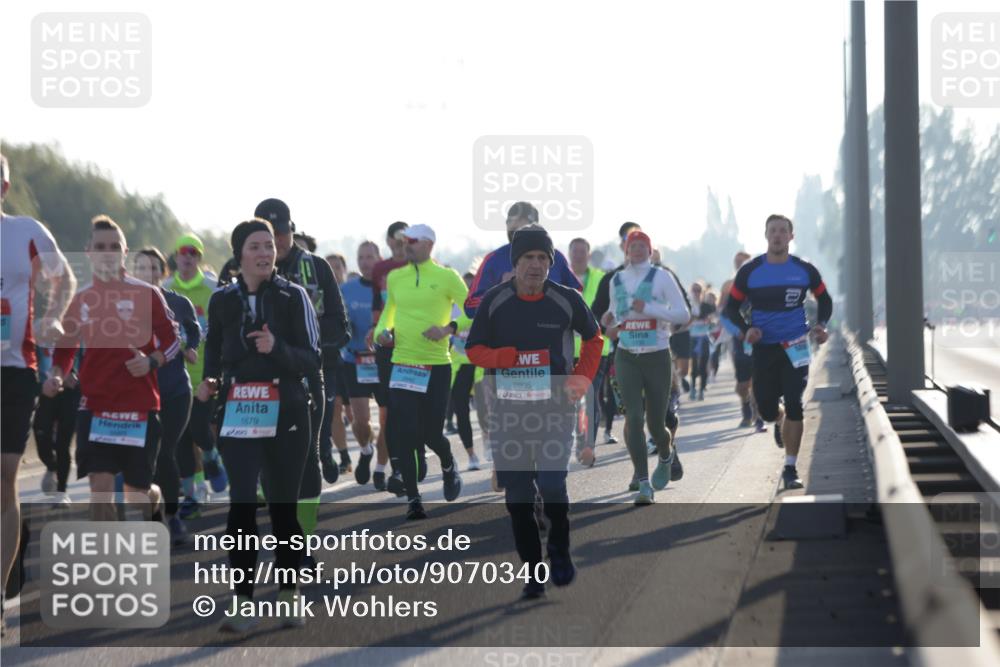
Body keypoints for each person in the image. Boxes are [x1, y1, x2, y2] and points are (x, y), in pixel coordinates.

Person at [197, 218, 321, 631]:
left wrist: (276, 347)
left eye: (269, 245)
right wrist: (210, 383)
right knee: (242, 504)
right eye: (255, 246)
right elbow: (213, 353)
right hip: (240, 411)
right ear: (239, 255)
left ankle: (289, 594)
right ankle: (242, 602)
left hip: (288, 411)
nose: (265, 253)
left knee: (283, 506)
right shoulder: (221, 300)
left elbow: (313, 358)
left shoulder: (293, 295)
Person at [466, 225, 603, 599]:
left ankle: (559, 548)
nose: (536, 264)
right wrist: (503, 358)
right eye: (529, 257)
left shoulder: (566, 299)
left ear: (551, 262)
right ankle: (532, 573)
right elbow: (474, 350)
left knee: (553, 486)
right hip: (508, 414)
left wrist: (580, 379)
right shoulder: (495, 300)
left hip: (555, 409)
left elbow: (594, 339)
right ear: (515, 262)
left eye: (543, 258)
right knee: (518, 499)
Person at [44, 216, 179, 523]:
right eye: (101, 247)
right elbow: (65, 348)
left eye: (115, 247)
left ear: (125, 252)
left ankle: (153, 499)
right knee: (101, 489)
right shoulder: (80, 299)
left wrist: (151, 361)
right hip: (96, 407)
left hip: (139, 408)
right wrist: (56, 374)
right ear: (89, 252)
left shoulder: (147, 294)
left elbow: (174, 340)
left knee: (136, 495)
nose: (108, 253)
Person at [1, 154, 77, 627]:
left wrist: (53, 315)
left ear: (4, 188)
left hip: (14, 369)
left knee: (4, 473)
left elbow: (64, 277)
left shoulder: (25, 231)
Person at [255, 198, 349, 546]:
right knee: (267, 462)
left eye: (281, 233)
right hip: (259, 382)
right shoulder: (239, 271)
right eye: (268, 236)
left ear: (292, 231)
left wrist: (298, 339)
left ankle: (303, 540)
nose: (276, 242)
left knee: (307, 456)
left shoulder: (316, 267)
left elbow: (340, 326)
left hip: (309, 376)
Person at [723, 214, 833, 490]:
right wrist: (746, 329)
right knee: (767, 409)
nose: (777, 235)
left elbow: (824, 298)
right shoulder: (750, 271)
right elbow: (729, 310)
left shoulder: (804, 270)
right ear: (766, 235)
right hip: (764, 348)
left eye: (783, 231)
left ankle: (790, 467)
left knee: (795, 401)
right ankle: (778, 418)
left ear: (790, 236)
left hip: (796, 346)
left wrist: (822, 324)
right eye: (773, 230)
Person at [373, 224, 466, 519]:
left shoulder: (447, 277)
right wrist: (382, 332)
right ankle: (414, 499)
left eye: (412, 241)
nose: (406, 245)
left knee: (430, 434)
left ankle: (448, 463)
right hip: (403, 363)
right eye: (404, 241)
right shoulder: (395, 277)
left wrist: (447, 329)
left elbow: (473, 311)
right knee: (405, 431)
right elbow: (388, 314)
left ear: (428, 244)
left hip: (436, 365)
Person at [591, 222, 690, 478]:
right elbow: (612, 313)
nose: (636, 249)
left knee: (658, 423)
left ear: (650, 249)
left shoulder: (662, 276)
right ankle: (642, 477)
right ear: (624, 249)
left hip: (657, 354)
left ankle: (666, 453)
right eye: (631, 245)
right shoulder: (615, 279)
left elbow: (683, 314)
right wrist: (608, 322)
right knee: (633, 418)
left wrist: (650, 310)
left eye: (641, 245)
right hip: (626, 355)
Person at [133, 247, 201, 545]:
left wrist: (190, 347)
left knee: (164, 451)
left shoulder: (177, 302)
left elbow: (193, 331)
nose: (146, 273)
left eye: (152, 268)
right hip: (140, 393)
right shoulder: (124, 304)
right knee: (144, 457)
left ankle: (172, 518)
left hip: (175, 390)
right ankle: (153, 516)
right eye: (141, 268)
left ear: (162, 273)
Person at [162, 233, 227, 520]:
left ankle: (212, 456)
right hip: (177, 376)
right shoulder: (165, 290)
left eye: (193, 253)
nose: (187, 257)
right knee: (182, 438)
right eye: (182, 252)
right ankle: (195, 493)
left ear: (199, 258)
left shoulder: (213, 289)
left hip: (207, 373)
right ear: (176, 257)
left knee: (202, 429)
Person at [463, 201, 581, 318]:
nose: (536, 263)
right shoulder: (494, 259)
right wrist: (501, 289)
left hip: (550, 329)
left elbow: (578, 298)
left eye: (523, 228)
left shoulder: (556, 258)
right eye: (512, 228)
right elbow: (470, 307)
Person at [338, 241, 387, 486]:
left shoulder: (389, 287)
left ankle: (380, 469)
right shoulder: (346, 289)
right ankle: (366, 450)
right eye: (361, 257)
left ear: (379, 258)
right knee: (360, 421)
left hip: (384, 360)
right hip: (355, 359)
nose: (365, 262)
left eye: (370, 257)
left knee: (387, 420)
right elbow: (337, 321)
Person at [368, 221, 410, 488]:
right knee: (390, 410)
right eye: (395, 238)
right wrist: (375, 329)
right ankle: (397, 468)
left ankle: (414, 456)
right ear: (388, 242)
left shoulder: (421, 266)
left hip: (414, 347)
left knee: (412, 407)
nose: (400, 243)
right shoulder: (380, 269)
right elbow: (377, 304)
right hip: (386, 346)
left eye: (405, 238)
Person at [568, 237, 611, 466]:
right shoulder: (560, 278)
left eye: (582, 251)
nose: (578, 255)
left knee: (591, 397)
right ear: (569, 254)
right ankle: (578, 441)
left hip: (596, 349)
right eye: (574, 251)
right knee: (572, 400)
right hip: (568, 350)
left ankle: (588, 447)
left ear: (589, 254)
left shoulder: (601, 278)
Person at [719, 251, 766, 431]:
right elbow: (724, 315)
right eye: (737, 262)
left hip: (760, 340)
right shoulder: (731, 287)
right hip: (741, 341)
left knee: (759, 380)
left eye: (743, 262)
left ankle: (757, 417)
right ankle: (746, 404)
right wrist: (738, 331)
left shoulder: (762, 285)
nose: (740, 265)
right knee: (743, 385)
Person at [33, 345, 79, 507]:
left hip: (69, 392)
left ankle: (61, 491)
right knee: (41, 437)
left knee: (63, 444)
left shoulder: (73, 331)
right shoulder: (34, 332)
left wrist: (74, 374)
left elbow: (84, 356)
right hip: (45, 392)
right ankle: (52, 466)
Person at [323, 251, 356, 476]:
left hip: (355, 360)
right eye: (329, 267)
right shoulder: (321, 295)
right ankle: (344, 456)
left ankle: (366, 445)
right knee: (335, 408)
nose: (334, 271)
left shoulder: (352, 293)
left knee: (354, 415)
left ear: (344, 269)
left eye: (337, 267)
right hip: (333, 360)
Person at [449, 271, 485, 471]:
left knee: (485, 410)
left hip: (481, 364)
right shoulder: (452, 307)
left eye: (473, 287)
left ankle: (489, 439)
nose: (469, 291)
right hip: (459, 365)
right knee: (461, 410)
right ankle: (471, 455)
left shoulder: (483, 304)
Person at [687, 282, 715, 401]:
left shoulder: (706, 306)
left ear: (702, 292)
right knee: (694, 364)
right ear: (691, 291)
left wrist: (710, 321)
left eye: (698, 290)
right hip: (693, 338)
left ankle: (701, 389)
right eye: (694, 290)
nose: (696, 293)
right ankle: (693, 388)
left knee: (703, 364)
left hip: (704, 337)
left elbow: (714, 318)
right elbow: (683, 320)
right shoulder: (688, 306)